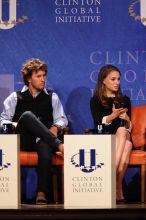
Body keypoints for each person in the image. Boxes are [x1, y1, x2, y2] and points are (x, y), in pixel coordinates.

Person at [0, 58, 68, 205]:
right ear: (29, 78)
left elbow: (62, 119)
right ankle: (59, 145)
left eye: (44, 76)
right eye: (39, 76)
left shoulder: (52, 97)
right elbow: (3, 120)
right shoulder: (15, 97)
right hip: (23, 140)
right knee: (27, 116)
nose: (43, 79)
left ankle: (41, 193)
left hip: (44, 139)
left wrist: (56, 127)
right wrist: (13, 124)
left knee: (44, 145)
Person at [90, 64, 132, 203]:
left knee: (122, 132)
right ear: (104, 80)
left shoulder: (124, 100)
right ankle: (117, 188)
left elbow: (129, 128)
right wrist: (112, 116)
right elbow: (97, 124)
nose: (117, 82)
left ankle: (112, 177)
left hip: (121, 136)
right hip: (105, 138)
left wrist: (127, 120)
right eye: (113, 79)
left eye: (118, 79)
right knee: (126, 145)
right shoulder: (95, 100)